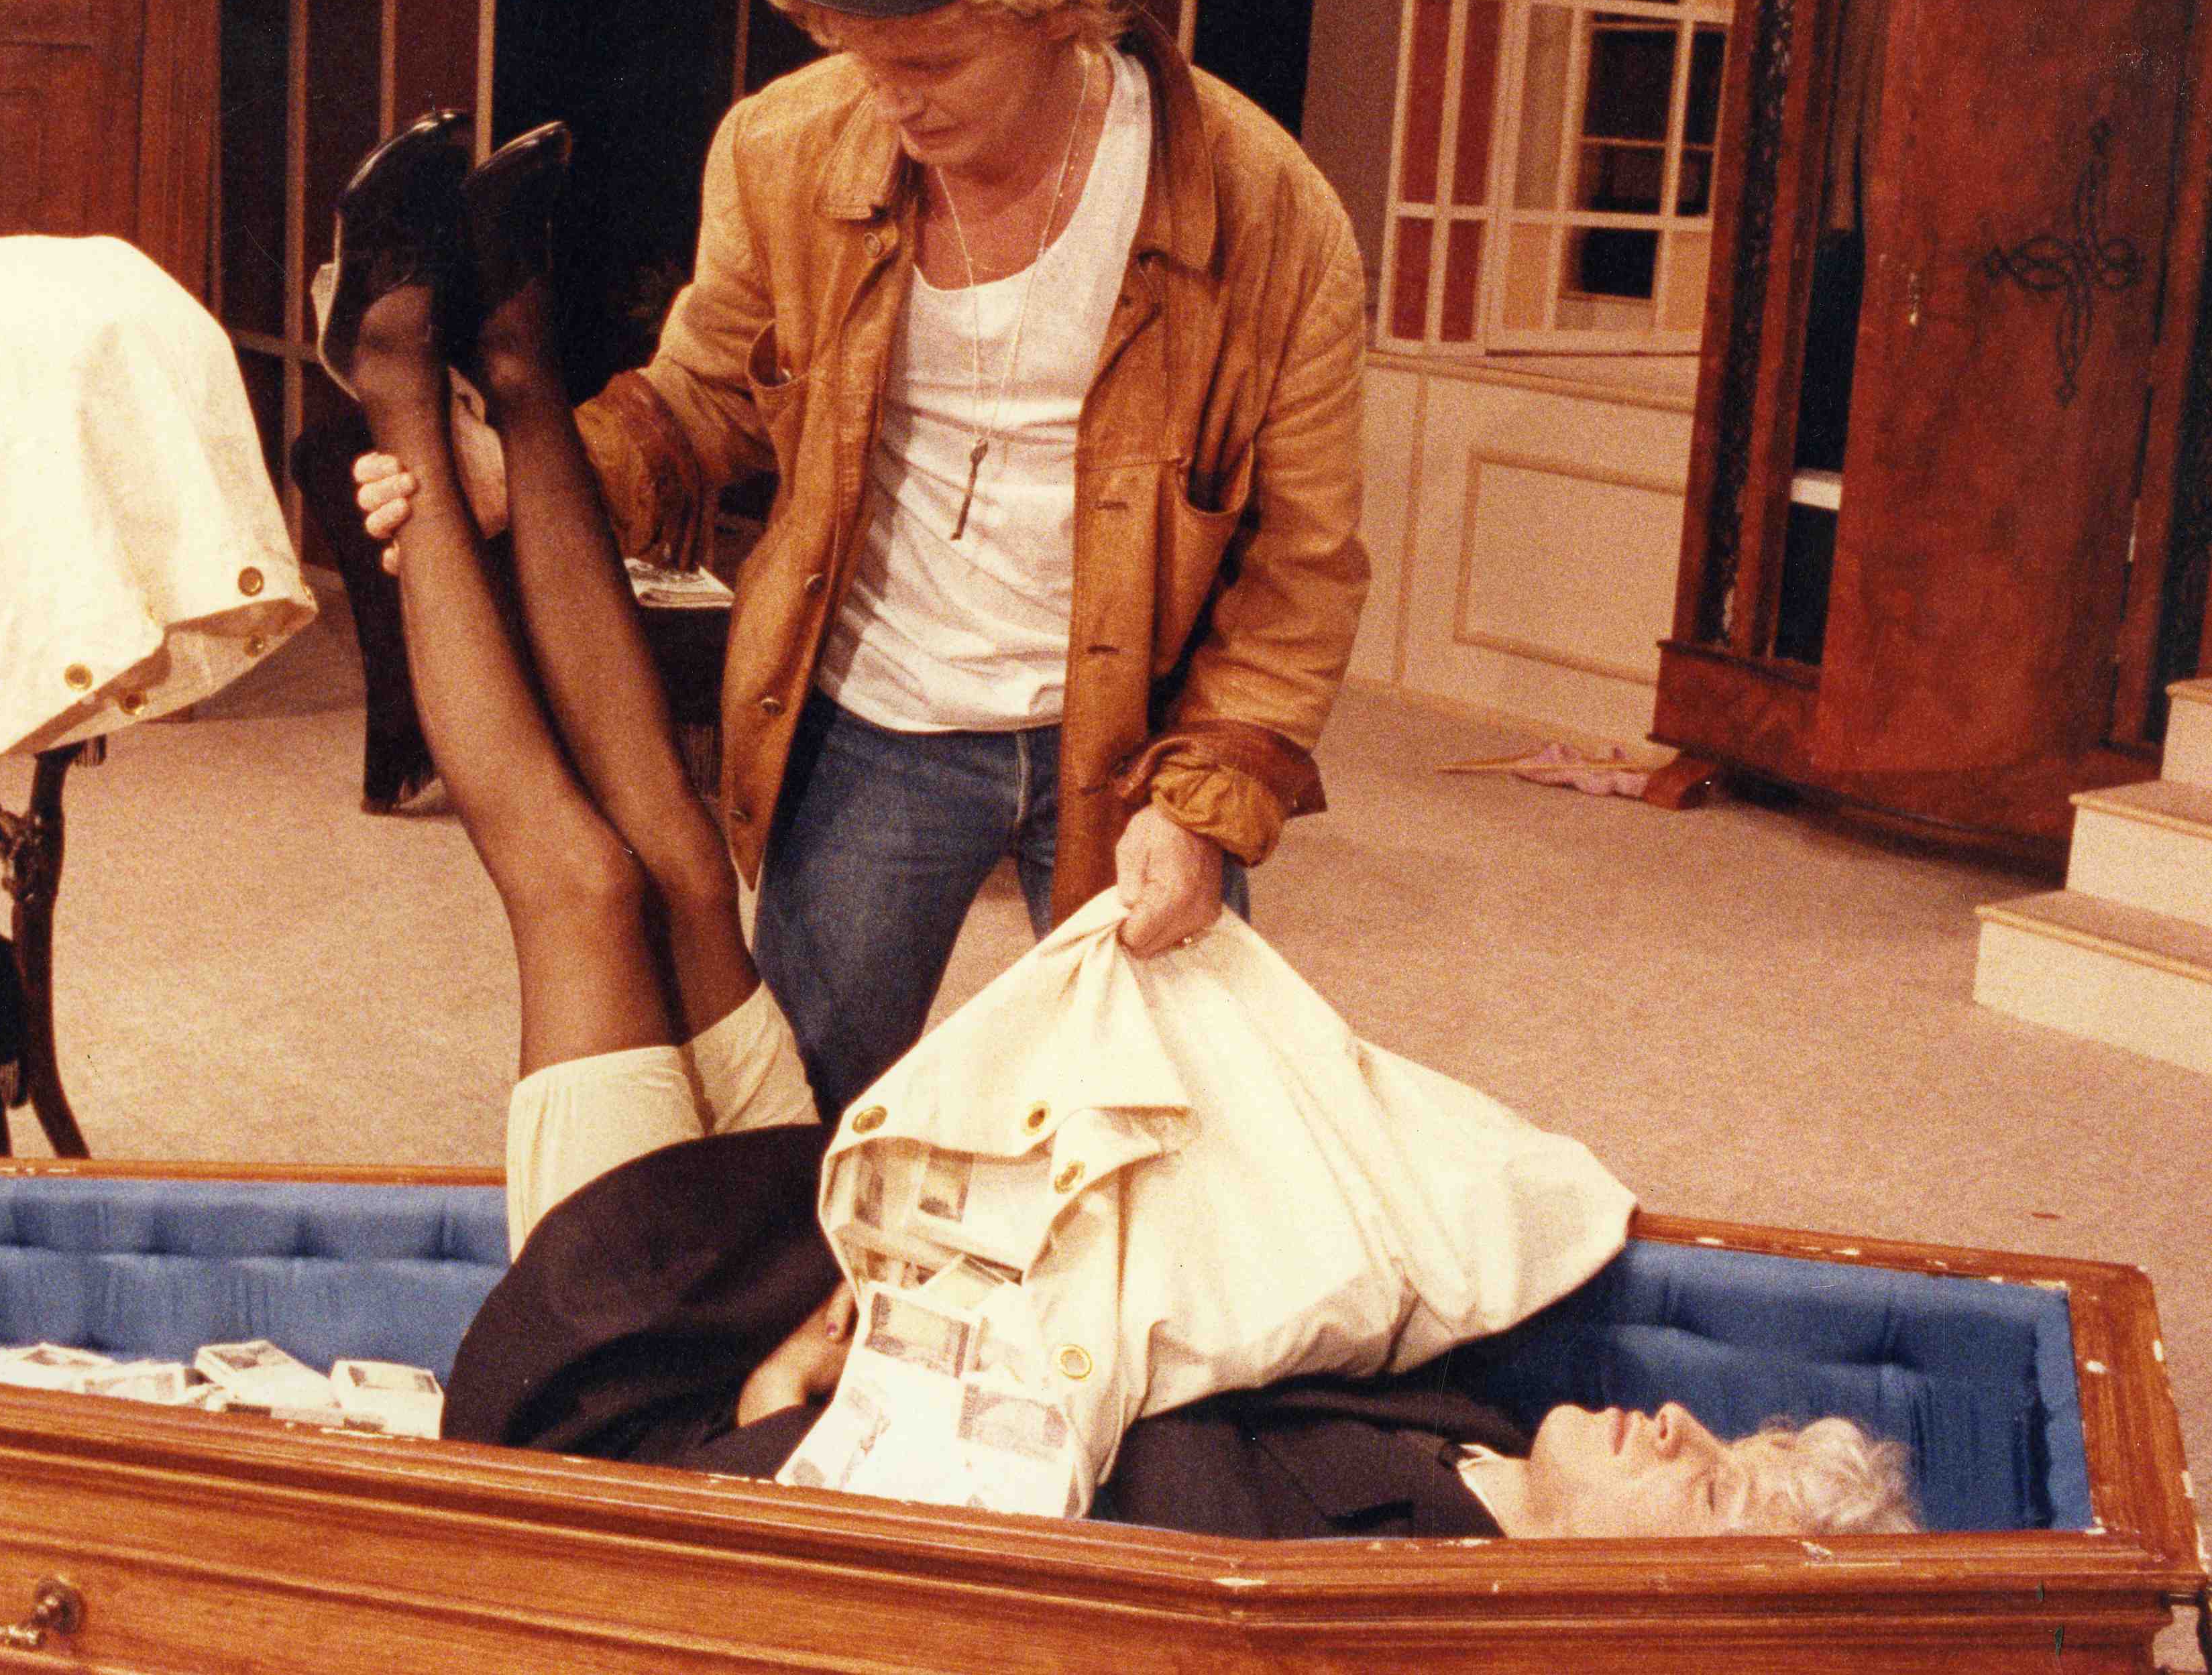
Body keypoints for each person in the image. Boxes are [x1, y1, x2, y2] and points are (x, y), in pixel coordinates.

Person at [318, 115, 1918, 1545]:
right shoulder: (1470, 1422)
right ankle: (509, 343)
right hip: (837, 1263)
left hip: (664, 1439)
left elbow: (971, 1537)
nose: (1682, 1422)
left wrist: (790, 1390)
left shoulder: (1354, 1586)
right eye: (1736, 1438)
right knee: (678, 856)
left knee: (588, 887)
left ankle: (390, 369)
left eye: (1711, 1485)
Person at [360, 0, 1370, 1112]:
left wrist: (1204, 803)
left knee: (1162, 1126)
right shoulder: (785, 146)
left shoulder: (1264, 206)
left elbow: (1301, 564)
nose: (890, 97)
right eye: (859, 51)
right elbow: (703, 401)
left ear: (1058, 9)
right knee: (808, 1114)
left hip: (1136, 741)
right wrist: (526, 482)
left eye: (933, 60)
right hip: (875, 716)